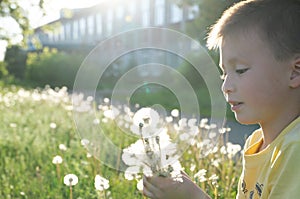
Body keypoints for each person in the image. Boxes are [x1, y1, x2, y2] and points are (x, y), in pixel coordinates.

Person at [143, 0, 300, 198]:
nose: (226, 86)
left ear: (295, 72)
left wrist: (193, 196)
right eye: (224, 74)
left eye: (240, 70)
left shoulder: (296, 150)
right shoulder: (256, 142)